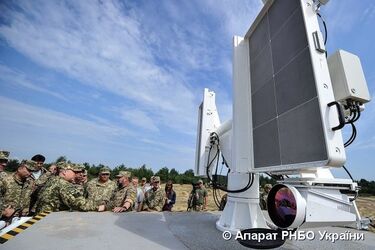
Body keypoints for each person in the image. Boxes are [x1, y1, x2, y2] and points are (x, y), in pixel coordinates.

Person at [35, 162, 104, 212]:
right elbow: (80, 204)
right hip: (50, 220)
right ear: (65, 172)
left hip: (41, 216)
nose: (75, 174)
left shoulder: (52, 180)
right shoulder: (64, 184)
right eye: (73, 172)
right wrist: (99, 206)